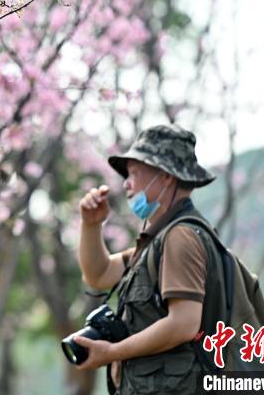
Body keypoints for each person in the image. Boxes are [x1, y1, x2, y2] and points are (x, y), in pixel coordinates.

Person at [74, 123, 218, 395]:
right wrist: (91, 226)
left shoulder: (180, 238)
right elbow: (99, 274)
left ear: (165, 176)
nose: (126, 183)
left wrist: (112, 352)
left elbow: (184, 323)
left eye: (134, 173)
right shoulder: (157, 244)